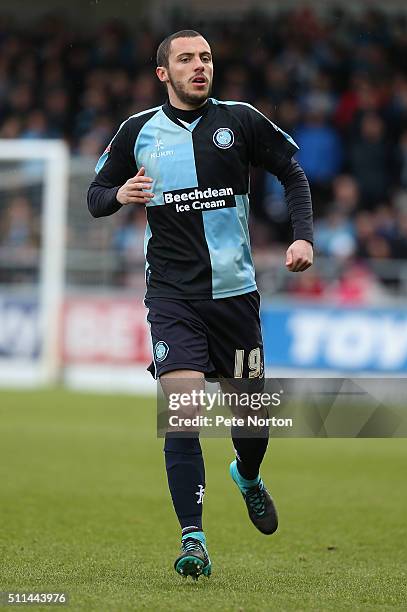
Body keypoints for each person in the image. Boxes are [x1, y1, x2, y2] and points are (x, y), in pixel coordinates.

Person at [88, 30, 313, 580]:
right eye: (186, 59)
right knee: (182, 413)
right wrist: (119, 196)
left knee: (251, 422)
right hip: (172, 297)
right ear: (163, 73)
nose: (199, 66)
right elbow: (95, 197)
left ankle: (248, 476)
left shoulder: (240, 121)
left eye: (205, 58)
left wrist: (303, 236)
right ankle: (194, 539)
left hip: (235, 296)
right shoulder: (137, 133)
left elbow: (293, 172)